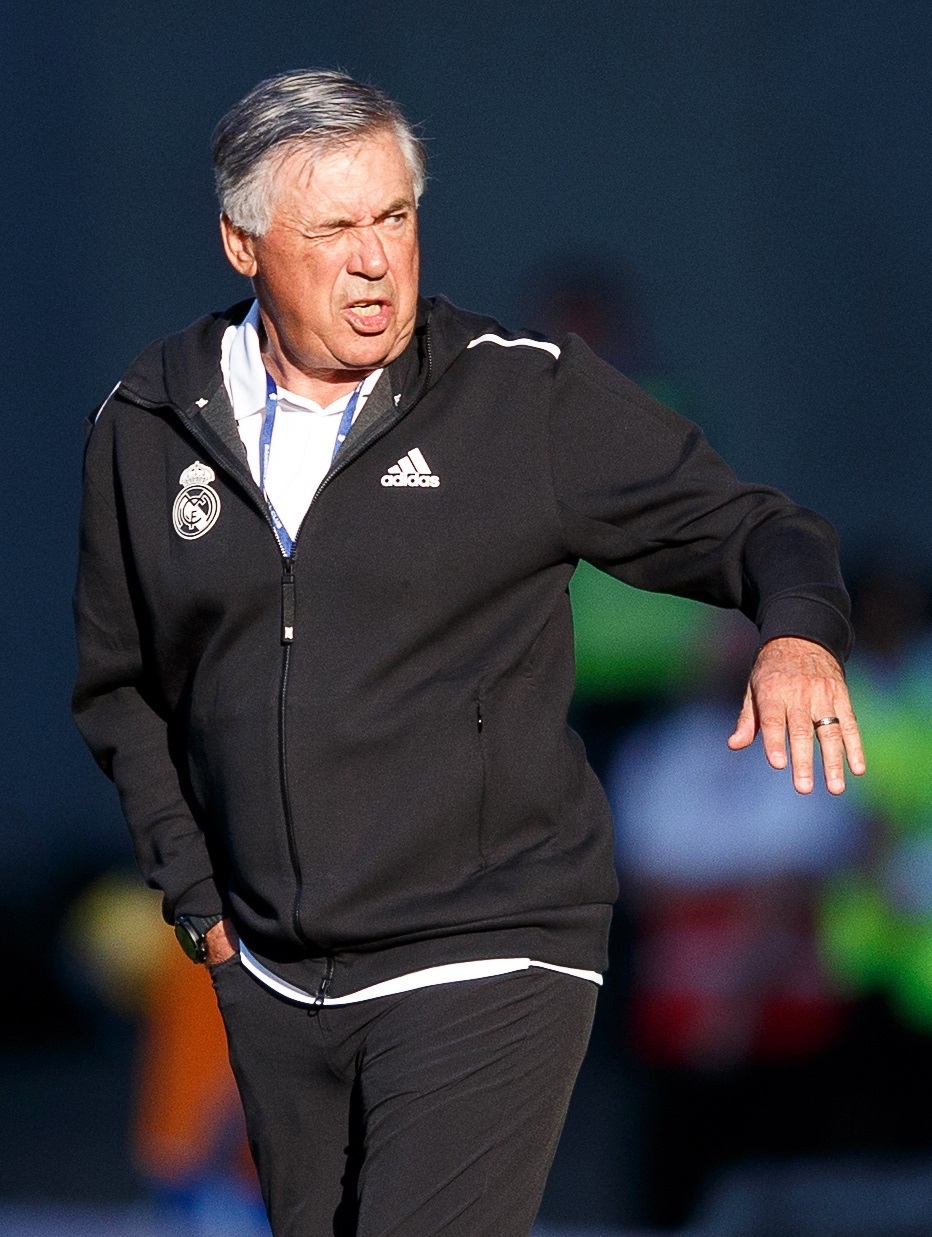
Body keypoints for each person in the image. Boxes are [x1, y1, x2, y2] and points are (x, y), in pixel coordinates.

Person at [72, 70, 865, 1236]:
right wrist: (196, 898)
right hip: (277, 970)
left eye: (393, 217)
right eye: (333, 228)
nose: (375, 260)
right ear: (242, 245)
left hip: (489, 942)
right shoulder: (145, 424)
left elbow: (761, 527)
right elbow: (120, 686)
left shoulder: (517, 394)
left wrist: (794, 629)